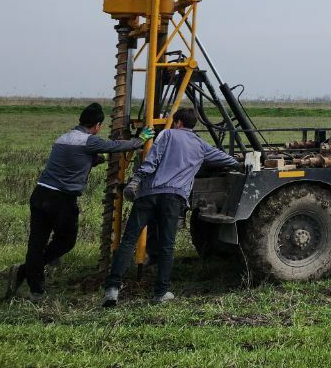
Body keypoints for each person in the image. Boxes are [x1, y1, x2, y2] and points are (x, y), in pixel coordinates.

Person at [5, 102, 150, 300]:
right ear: (97, 125)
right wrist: (139, 140)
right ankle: (26, 270)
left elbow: (74, 160)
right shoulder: (89, 141)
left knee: (36, 243)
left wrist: (95, 160)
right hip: (61, 199)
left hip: (40, 194)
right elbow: (115, 146)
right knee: (66, 241)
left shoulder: (63, 138)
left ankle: (35, 289)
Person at [103, 107, 241, 307]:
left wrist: (136, 180)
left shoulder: (166, 134)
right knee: (167, 246)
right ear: (191, 125)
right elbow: (225, 159)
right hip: (173, 198)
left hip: (148, 194)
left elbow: (152, 160)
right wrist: (242, 163)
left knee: (128, 240)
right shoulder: (201, 145)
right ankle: (160, 293)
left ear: (177, 122)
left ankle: (112, 289)